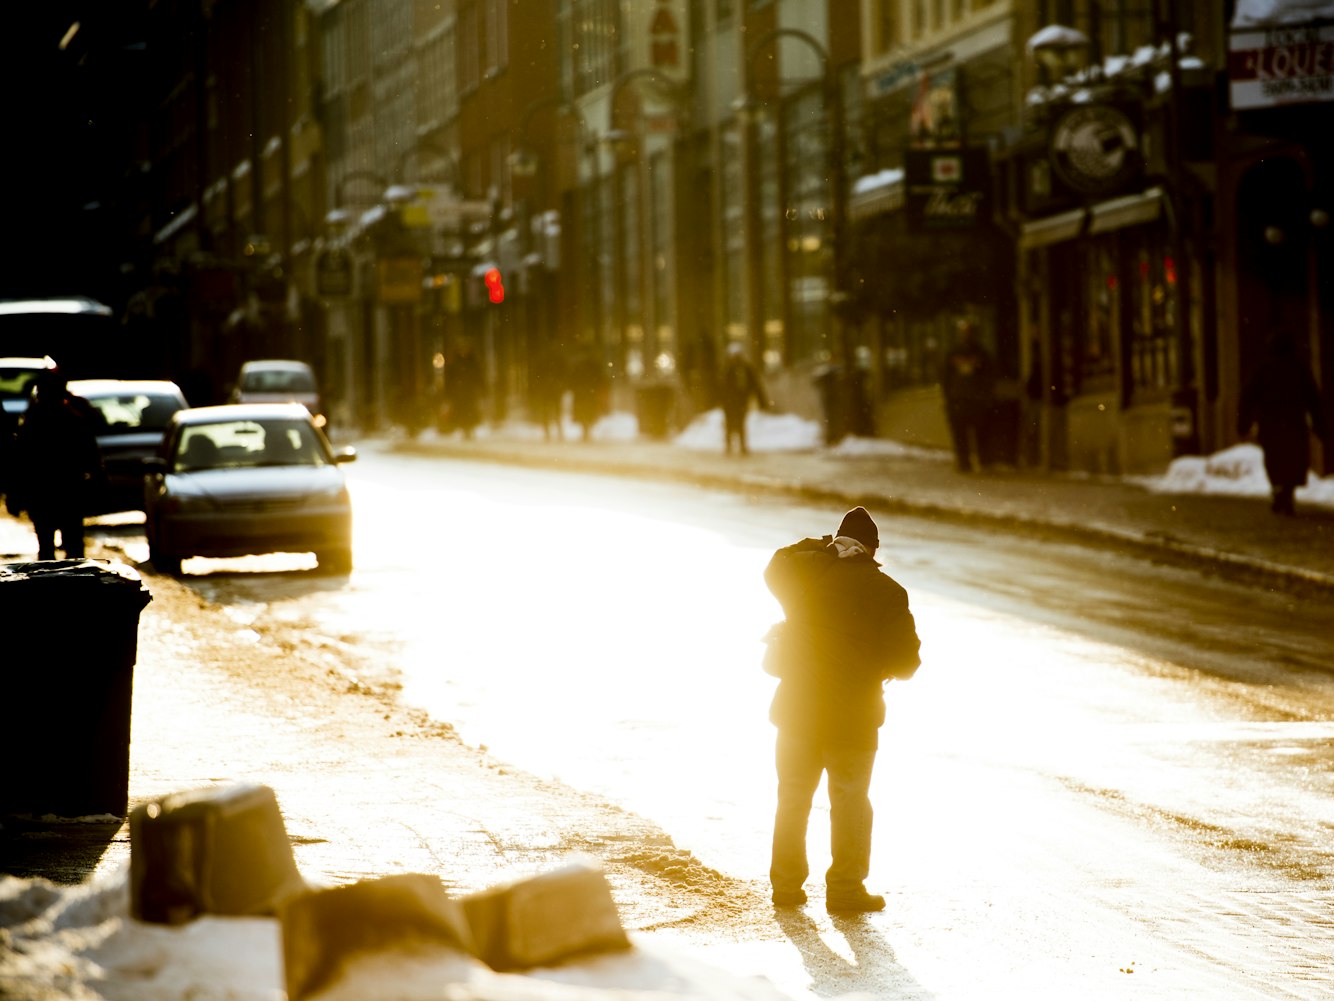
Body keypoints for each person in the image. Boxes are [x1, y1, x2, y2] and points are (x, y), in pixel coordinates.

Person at [762, 506, 921, 913]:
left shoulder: (805, 576)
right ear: (871, 550)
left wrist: (821, 545)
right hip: (853, 718)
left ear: (837, 543)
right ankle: (846, 891)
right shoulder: (887, 591)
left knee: (792, 799)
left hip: (797, 712)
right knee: (850, 802)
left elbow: (777, 561)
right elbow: (906, 664)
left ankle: (786, 887)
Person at [9, 371, 104, 560]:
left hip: (47, 492)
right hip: (65, 491)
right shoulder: (72, 418)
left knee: (49, 547)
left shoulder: (33, 420)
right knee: (71, 548)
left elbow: (19, 461)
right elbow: (92, 453)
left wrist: (15, 495)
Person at [1237, 331, 1327, 516]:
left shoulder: (1263, 368)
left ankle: (1279, 490)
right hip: (1294, 422)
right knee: (1294, 458)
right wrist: (1320, 426)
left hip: (1270, 423)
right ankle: (1287, 491)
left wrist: (1243, 423)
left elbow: (1247, 396)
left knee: (1274, 458)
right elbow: (1313, 398)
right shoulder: (1299, 368)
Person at [940, 318, 996, 472]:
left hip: (975, 401)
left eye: (969, 332)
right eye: (964, 332)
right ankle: (964, 462)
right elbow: (945, 377)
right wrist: (949, 397)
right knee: (960, 434)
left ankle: (983, 461)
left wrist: (985, 396)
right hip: (958, 400)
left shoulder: (982, 355)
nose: (966, 336)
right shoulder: (953, 354)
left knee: (981, 434)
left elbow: (988, 377)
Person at [718, 343, 767, 456]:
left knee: (740, 423)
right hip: (730, 401)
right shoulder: (728, 369)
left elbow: (755, 385)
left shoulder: (745, 369)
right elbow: (721, 387)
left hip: (740, 400)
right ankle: (729, 446)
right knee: (731, 423)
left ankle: (741, 446)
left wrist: (762, 401)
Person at [444, 338, 484, 439]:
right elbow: (449, 379)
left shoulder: (473, 363)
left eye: (465, 348)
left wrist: (482, 388)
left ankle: (469, 429)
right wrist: (449, 392)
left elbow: (479, 377)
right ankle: (463, 429)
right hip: (458, 393)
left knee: (470, 411)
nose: (463, 351)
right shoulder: (455, 364)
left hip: (470, 393)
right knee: (461, 411)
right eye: (462, 349)